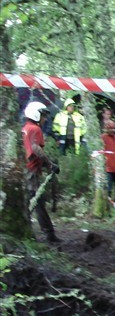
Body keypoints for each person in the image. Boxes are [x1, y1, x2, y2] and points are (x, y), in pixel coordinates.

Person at [21, 102, 60, 242]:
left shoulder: (25, 128)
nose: (45, 119)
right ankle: (49, 234)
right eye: (43, 116)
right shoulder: (35, 129)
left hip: (26, 168)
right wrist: (50, 164)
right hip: (31, 170)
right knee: (38, 201)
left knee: (32, 201)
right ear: (36, 114)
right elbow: (35, 148)